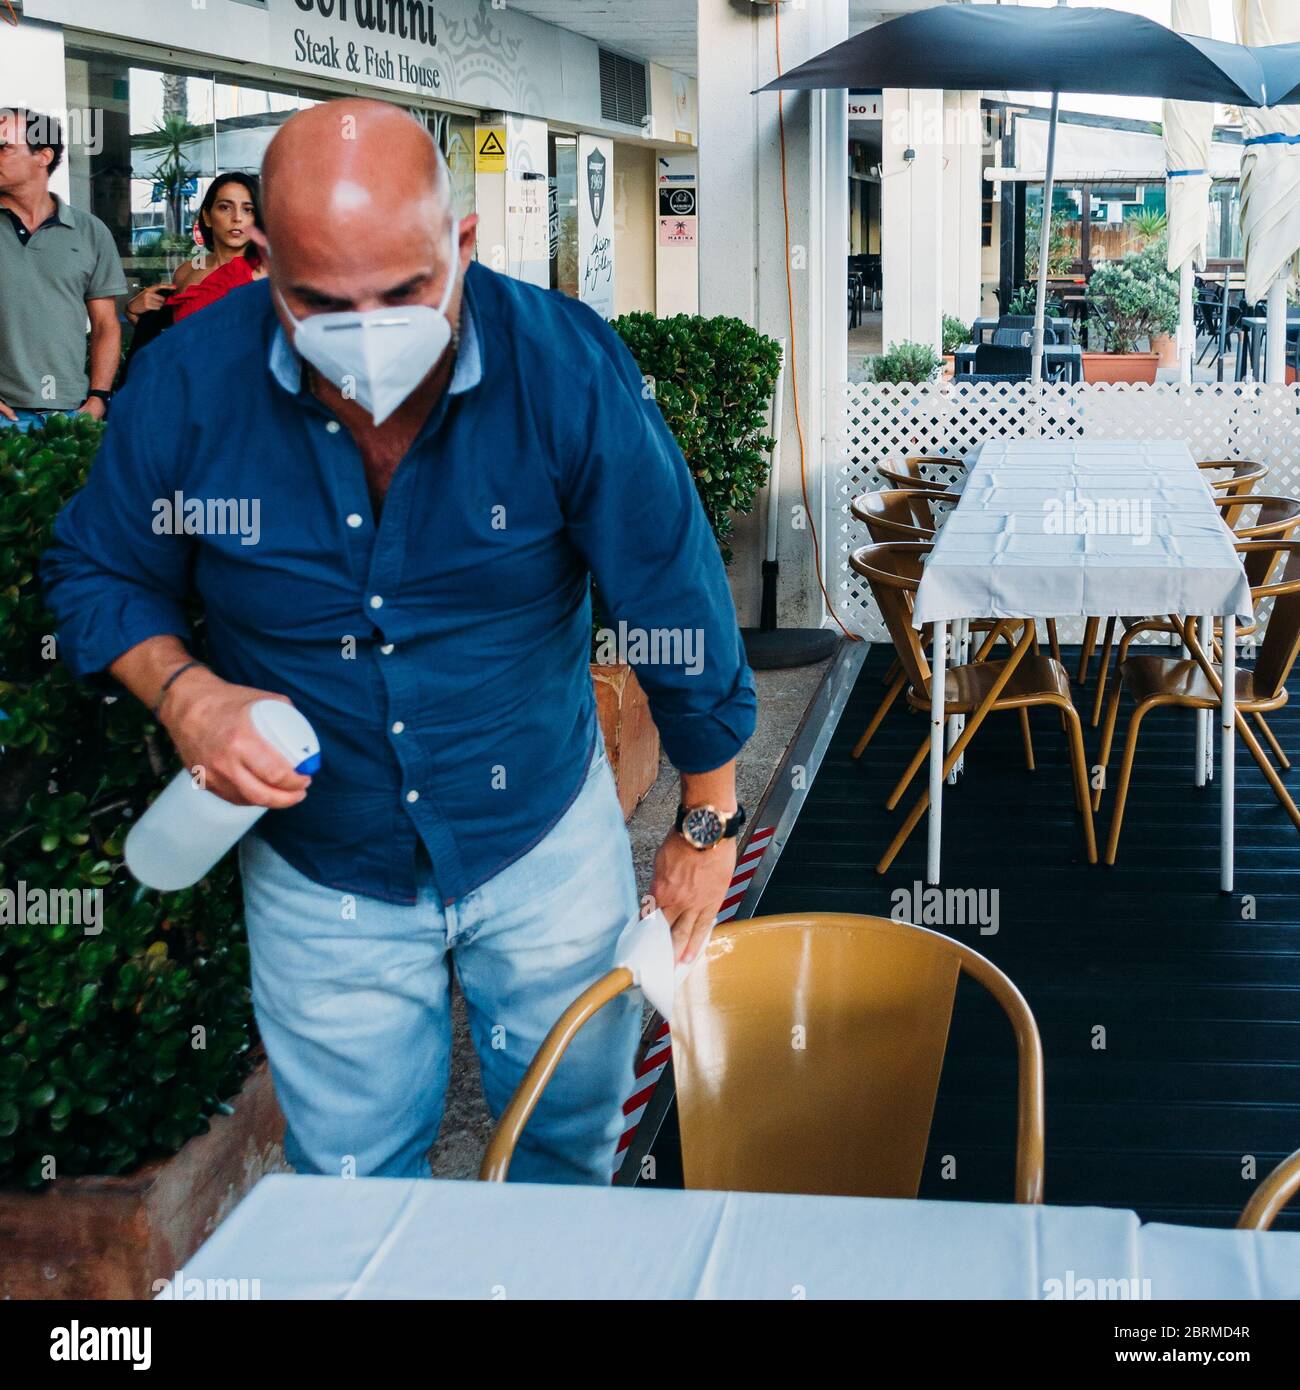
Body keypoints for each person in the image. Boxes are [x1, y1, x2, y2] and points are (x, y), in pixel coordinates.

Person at [41, 100, 757, 1185]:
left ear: (460, 244)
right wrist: (184, 694)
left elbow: (669, 590)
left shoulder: (561, 367)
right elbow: (98, 569)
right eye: (322, 300)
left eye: (407, 291)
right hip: (322, 867)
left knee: (571, 1149)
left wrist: (705, 820)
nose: (368, 330)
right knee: (353, 1180)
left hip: (542, 839)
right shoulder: (186, 383)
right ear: (261, 256)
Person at [0, 108, 125, 432]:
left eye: (4, 147)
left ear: (42, 156)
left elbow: (105, 324)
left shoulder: (90, 231)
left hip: (71, 415)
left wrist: (98, 398)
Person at [124, 173, 264, 331]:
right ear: (207, 216)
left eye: (248, 210)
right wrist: (133, 312)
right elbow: (171, 343)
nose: (237, 217)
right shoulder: (185, 272)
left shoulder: (267, 275)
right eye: (225, 207)